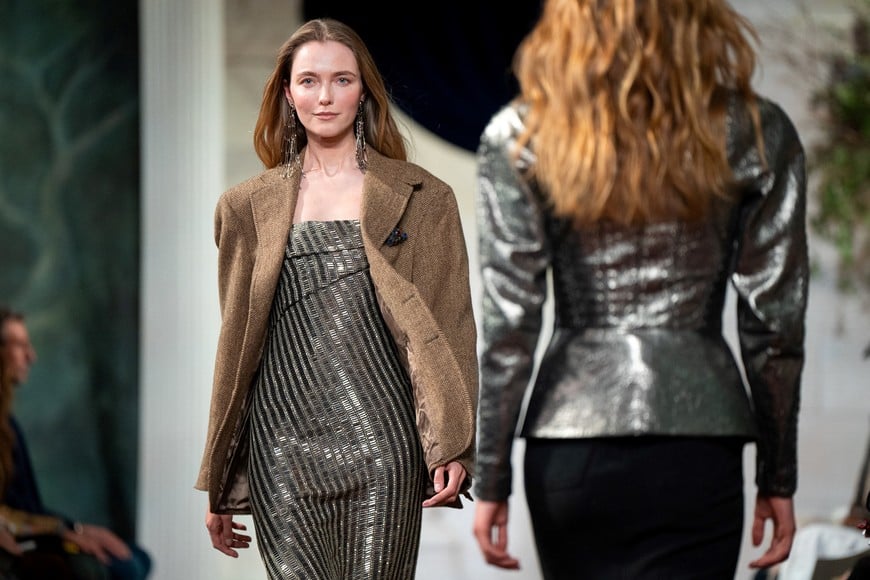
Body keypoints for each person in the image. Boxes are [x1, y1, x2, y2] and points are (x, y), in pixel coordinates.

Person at [471, 1, 808, 579]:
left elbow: (510, 323)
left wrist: (491, 476)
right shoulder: (755, 129)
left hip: (571, 445)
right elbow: (774, 320)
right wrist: (778, 476)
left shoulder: (521, 133)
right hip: (699, 445)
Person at [195, 17, 478, 580]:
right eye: (309, 81)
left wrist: (455, 445)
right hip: (282, 447)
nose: (325, 96)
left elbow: (451, 326)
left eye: (342, 80)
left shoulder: (424, 197)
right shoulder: (244, 208)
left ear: (364, 91)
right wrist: (221, 476)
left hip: (383, 442)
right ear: (286, 92)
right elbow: (235, 346)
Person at [0, 307, 152, 580]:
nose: (31, 356)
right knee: (127, 567)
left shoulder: (8, 425)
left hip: (41, 535)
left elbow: (26, 509)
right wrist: (69, 532)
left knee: (139, 559)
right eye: (20, 345)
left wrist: (77, 528)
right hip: (29, 543)